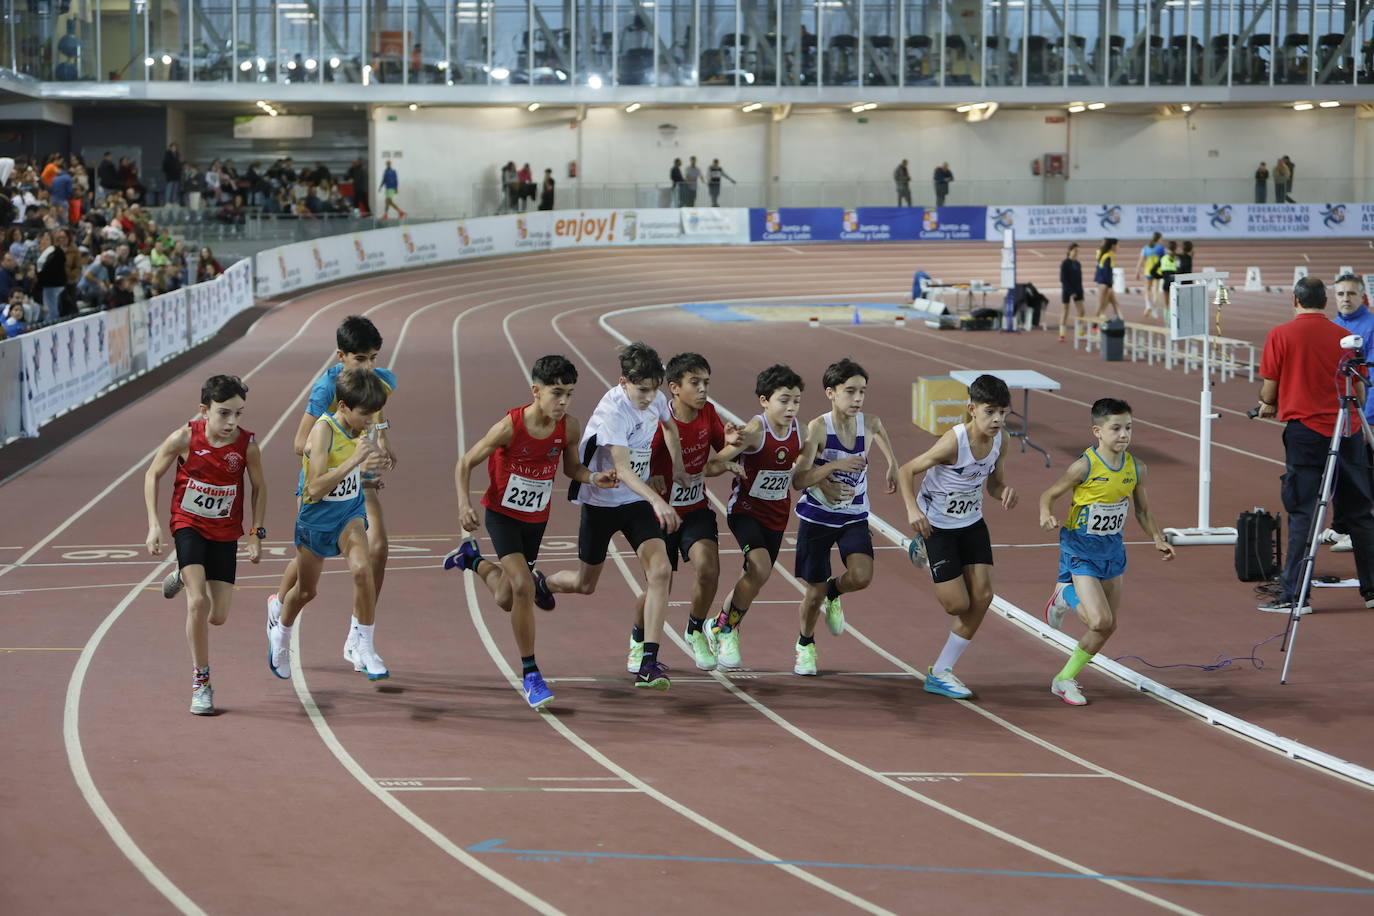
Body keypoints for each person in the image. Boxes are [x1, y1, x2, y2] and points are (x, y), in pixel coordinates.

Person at [445, 355, 616, 709]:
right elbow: (465, 462)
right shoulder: (510, 426)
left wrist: (592, 477)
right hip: (502, 515)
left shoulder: (568, 428)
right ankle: (531, 674)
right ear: (536, 391)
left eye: (569, 393)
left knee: (507, 597)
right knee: (523, 587)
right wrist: (464, 505)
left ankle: (472, 560)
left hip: (536, 520)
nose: (564, 402)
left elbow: (572, 468)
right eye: (557, 393)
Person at [543, 341, 689, 690]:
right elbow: (622, 469)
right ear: (624, 383)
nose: (649, 397)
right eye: (641, 390)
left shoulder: (653, 397)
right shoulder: (613, 413)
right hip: (602, 502)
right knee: (585, 584)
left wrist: (678, 465)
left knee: (662, 572)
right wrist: (659, 501)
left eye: (654, 389)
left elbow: (670, 426)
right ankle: (542, 583)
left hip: (635, 504)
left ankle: (648, 661)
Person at [273, 315, 398, 674]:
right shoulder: (327, 390)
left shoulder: (377, 381)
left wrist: (383, 439)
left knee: (377, 550)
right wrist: (348, 457)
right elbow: (300, 443)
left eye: (374, 357)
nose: (370, 366)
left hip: (354, 482)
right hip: (321, 481)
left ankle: (359, 637)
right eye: (361, 359)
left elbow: (375, 405)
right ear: (341, 356)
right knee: (308, 571)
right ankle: (279, 606)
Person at [143, 375, 267, 715]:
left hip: (225, 532)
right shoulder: (184, 438)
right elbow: (152, 474)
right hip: (189, 526)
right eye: (224, 413)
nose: (232, 422)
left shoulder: (246, 446)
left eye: (238, 414)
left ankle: (183, 576)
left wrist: (256, 531)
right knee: (197, 604)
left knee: (218, 616)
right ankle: (202, 682)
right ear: (204, 410)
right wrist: (155, 525)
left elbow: (259, 487)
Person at [1039, 398, 1174, 705]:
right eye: (1116, 428)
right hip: (1080, 548)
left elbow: (1143, 511)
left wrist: (1156, 537)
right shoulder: (1084, 466)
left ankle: (1063, 679)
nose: (1124, 434)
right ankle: (1065, 596)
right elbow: (1049, 494)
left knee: (1107, 626)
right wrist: (1046, 512)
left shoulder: (1136, 468)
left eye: (1128, 428)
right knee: (1099, 621)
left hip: (1112, 550)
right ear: (1097, 431)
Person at [1255, 277, 1374, 614]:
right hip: (1346, 430)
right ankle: (1372, 589)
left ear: (1295, 300)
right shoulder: (1346, 338)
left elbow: (1268, 391)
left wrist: (1270, 402)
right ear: (1326, 301)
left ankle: (1295, 595)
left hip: (1305, 434)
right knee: (1361, 513)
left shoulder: (1281, 334)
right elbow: (1360, 392)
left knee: (1305, 513)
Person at [900, 375, 1017, 700]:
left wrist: (1003, 491)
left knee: (983, 598)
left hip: (972, 523)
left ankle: (940, 671)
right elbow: (906, 470)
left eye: (1003, 413)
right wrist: (913, 512)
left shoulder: (1000, 440)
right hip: (936, 526)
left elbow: (993, 484)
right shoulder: (954, 442)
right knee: (957, 605)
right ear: (971, 409)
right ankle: (920, 544)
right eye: (990, 412)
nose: (997, 420)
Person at [631, 353, 742, 672]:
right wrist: (650, 481)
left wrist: (732, 450)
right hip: (660, 514)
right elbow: (637, 466)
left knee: (709, 569)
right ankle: (639, 637)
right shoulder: (658, 420)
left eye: (706, 382)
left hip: (695, 508)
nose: (704, 389)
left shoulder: (708, 412)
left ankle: (695, 630)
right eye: (696, 383)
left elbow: (720, 453)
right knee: (658, 585)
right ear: (675, 388)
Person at [789, 359, 898, 676]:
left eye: (862, 391)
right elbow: (799, 478)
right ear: (831, 393)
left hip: (853, 514)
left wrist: (892, 463)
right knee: (813, 594)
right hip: (818, 517)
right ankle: (805, 644)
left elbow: (880, 430)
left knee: (862, 576)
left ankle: (835, 592)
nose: (858, 399)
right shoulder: (819, 428)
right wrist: (835, 466)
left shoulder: (870, 422)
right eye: (850, 391)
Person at [708, 364, 806, 670]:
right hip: (745, 511)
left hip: (777, 515)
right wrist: (727, 461)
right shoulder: (754, 431)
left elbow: (801, 460)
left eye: (797, 401)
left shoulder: (799, 429)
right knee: (760, 568)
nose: (791, 407)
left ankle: (718, 624)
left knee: (754, 577)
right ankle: (728, 631)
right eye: (784, 400)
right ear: (764, 400)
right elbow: (711, 466)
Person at [1133, 231, 1165, 321]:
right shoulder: (1161, 248)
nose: (1162, 240)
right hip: (1158, 271)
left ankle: (1148, 305)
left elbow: (1140, 260)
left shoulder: (1146, 248)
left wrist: (1137, 272)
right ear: (1158, 239)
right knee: (1156, 290)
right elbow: (1165, 259)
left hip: (1148, 271)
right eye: (1161, 238)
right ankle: (1154, 309)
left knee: (1147, 289)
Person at [1058, 243, 1085, 343]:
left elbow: (1079, 279)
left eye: (1078, 251)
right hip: (1067, 289)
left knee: (1081, 311)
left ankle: (1080, 331)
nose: (1076, 253)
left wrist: (1080, 291)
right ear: (1070, 251)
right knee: (1065, 311)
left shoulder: (1078, 264)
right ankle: (1062, 333)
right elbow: (1063, 279)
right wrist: (1071, 291)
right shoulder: (1065, 263)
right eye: (1075, 251)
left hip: (1078, 289)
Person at [1093, 237, 1121, 325]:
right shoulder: (1107, 256)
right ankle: (1093, 325)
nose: (1118, 247)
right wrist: (1109, 285)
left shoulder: (1107, 255)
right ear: (1113, 246)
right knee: (1100, 306)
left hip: (1104, 283)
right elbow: (1106, 272)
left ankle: (1120, 321)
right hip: (1104, 284)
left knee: (1115, 303)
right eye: (1117, 245)